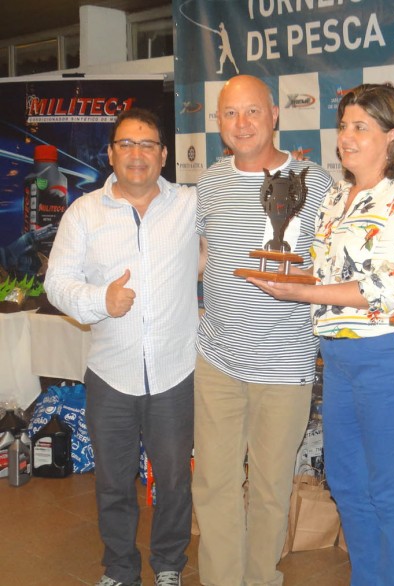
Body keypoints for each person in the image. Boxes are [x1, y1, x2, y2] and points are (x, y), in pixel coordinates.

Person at [249, 83, 394, 586]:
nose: (346, 137)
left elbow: (388, 288)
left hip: (386, 355)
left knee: (390, 489)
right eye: (344, 126)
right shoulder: (333, 197)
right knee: (348, 484)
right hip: (337, 357)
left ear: (392, 136)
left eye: (361, 127)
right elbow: (327, 273)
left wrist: (300, 292)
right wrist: (287, 276)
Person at [45, 108, 198, 586]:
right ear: (111, 153)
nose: (137, 154)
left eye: (147, 144)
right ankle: (119, 568)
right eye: (126, 144)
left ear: (163, 155)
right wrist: (101, 301)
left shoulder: (189, 205)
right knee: (113, 481)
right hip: (111, 374)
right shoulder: (84, 213)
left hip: (175, 372)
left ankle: (169, 564)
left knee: (174, 480)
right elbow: (56, 283)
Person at [192, 74, 333, 586]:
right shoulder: (210, 183)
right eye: (230, 113)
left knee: (271, 488)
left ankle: (259, 579)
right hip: (219, 358)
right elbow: (203, 256)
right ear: (218, 123)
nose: (242, 123)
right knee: (214, 484)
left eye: (252, 111)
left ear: (274, 114)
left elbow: (334, 265)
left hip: (286, 362)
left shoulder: (317, 183)